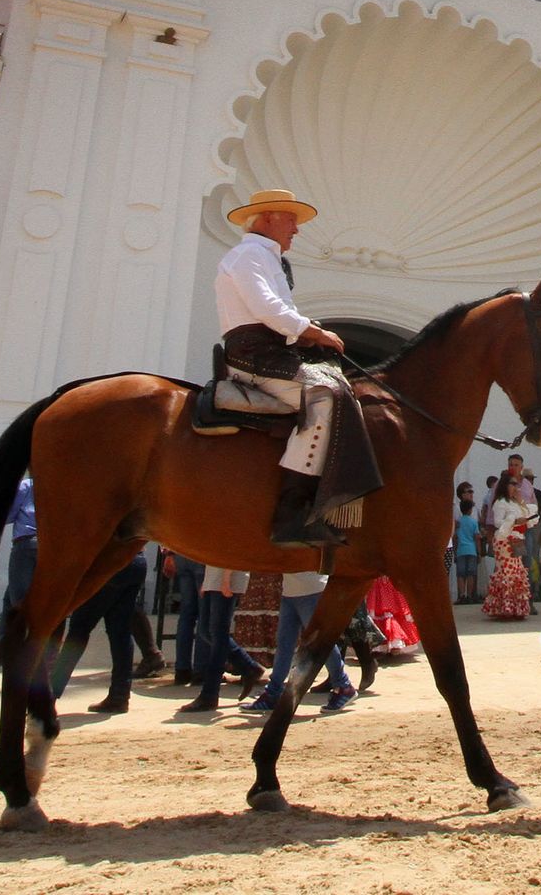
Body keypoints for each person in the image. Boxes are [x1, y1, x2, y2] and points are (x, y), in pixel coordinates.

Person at [205, 187, 353, 548]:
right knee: (326, 394)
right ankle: (291, 513)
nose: (297, 230)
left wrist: (302, 335)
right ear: (269, 216)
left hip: (271, 352)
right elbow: (266, 307)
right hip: (254, 357)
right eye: (292, 220)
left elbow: (273, 314)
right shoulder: (249, 255)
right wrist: (311, 331)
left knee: (336, 384)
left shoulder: (265, 257)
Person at [50, 548, 148, 714]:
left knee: (79, 630)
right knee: (120, 632)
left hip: (108, 561)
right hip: (135, 560)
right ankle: (120, 696)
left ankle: (49, 695)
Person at [245, 570, 357, 712]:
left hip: (311, 590)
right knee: (285, 643)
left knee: (320, 641)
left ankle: (344, 686)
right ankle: (273, 693)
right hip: (291, 591)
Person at [180, 565, 265, 711]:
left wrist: (226, 579)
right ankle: (248, 666)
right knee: (206, 631)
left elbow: (230, 549)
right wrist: (207, 581)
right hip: (214, 578)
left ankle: (209, 695)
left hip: (227, 576)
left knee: (218, 635)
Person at [0, 475, 38, 666]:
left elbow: (7, 515)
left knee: (19, 601)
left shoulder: (27, 485)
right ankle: (0, 648)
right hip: (52, 546)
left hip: (26, 544)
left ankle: (21, 652)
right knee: (11, 596)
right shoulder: (62, 486)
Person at [483, 470, 536, 620]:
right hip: (505, 541)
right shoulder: (500, 503)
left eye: (516, 484)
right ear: (505, 486)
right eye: (512, 484)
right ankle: (503, 608)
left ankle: (516, 608)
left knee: (517, 572)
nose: (515, 487)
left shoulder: (515, 502)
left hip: (518, 539)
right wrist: (513, 521)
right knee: (506, 573)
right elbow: (498, 523)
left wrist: (521, 503)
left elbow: (530, 518)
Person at [165, 550, 207, 686]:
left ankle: (182, 669)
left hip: (181, 554)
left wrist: (169, 554)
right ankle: (201, 670)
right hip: (202, 554)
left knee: (186, 615)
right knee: (204, 615)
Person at [507, 453, 541, 610]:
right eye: (511, 464)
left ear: (521, 467)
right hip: (508, 529)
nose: (513, 467)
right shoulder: (503, 483)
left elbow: (534, 504)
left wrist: (532, 521)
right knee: (509, 564)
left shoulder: (527, 484)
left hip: (527, 529)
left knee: (527, 562)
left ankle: (528, 600)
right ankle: (509, 600)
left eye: (516, 465)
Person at [454, 491, 482, 604]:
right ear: (470, 510)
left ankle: (461, 595)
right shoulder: (473, 522)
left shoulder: (458, 523)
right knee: (471, 574)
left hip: (461, 550)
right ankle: (470, 595)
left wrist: (455, 551)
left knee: (460, 574)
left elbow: (455, 537)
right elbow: (477, 538)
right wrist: (479, 552)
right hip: (471, 550)